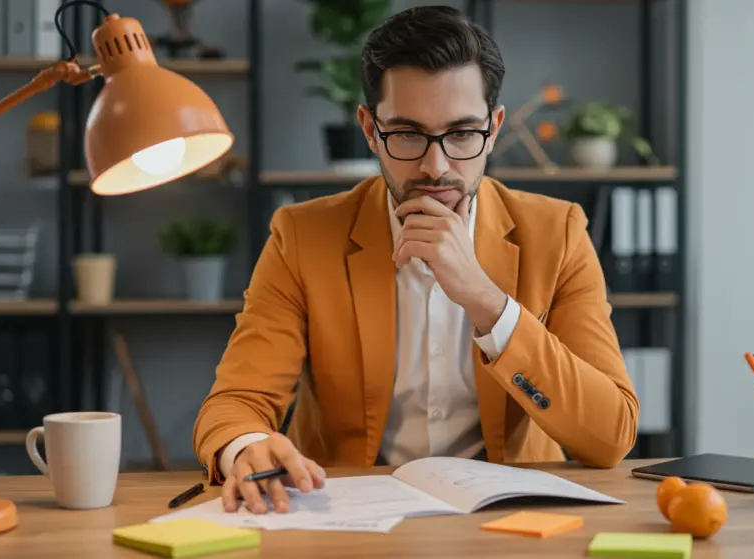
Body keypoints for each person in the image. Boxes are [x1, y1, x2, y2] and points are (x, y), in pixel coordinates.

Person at [192, 5, 639, 515]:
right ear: (368, 129)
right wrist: (247, 446)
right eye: (406, 134)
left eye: (462, 134)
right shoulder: (303, 236)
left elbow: (610, 437)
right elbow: (234, 403)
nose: (436, 166)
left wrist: (487, 302)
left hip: (508, 522)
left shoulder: (556, 233)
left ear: (493, 129)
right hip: (346, 518)